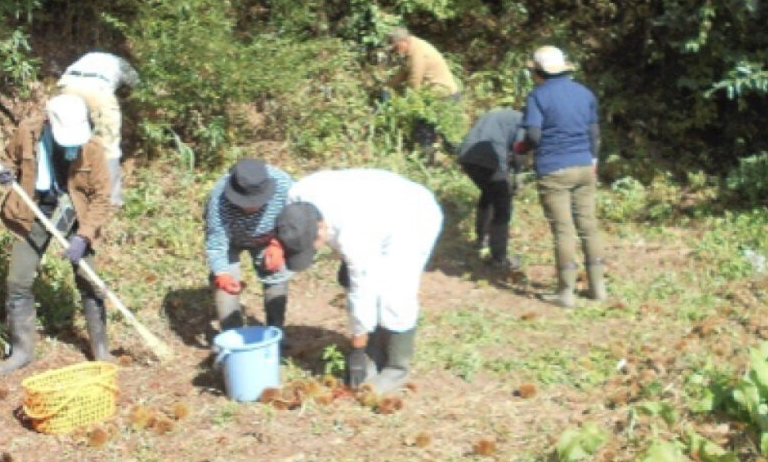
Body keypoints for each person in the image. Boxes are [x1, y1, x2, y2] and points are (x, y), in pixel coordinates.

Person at [274, 169, 443, 394]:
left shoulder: (353, 235)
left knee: (394, 294)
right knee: (360, 281)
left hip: (412, 216)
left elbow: (361, 292)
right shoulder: (296, 198)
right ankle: (375, 351)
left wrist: (356, 351)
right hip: (373, 209)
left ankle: (396, 367)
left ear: (322, 227)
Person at [0, 94, 114, 374]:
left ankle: (101, 350)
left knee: (90, 280)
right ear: (48, 121)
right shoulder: (27, 133)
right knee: (18, 281)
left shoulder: (92, 148)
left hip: (75, 215)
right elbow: (10, 160)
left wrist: (83, 236)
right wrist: (5, 173)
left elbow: (101, 198)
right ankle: (21, 351)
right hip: (33, 211)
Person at [514, 45, 606, 308]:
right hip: (584, 166)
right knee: (588, 226)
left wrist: (520, 149)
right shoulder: (584, 93)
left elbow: (533, 135)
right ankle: (598, 289)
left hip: (554, 169)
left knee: (564, 230)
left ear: (538, 72)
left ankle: (566, 292)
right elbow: (593, 133)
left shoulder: (537, 96)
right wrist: (593, 159)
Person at [204, 158, 295, 332]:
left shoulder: (285, 185)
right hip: (230, 240)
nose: (249, 208)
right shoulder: (218, 197)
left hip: (269, 236)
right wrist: (222, 274)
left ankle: (275, 331)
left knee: (276, 272)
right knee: (225, 285)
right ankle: (232, 335)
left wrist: (280, 243)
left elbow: (296, 218)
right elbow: (216, 243)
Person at [57, 51, 140, 207]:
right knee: (109, 144)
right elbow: (137, 85)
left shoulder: (89, 56)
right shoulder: (121, 63)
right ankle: (112, 198)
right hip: (98, 89)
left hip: (67, 85)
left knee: (68, 136)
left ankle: (63, 185)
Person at [456, 108, 526, 270]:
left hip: (467, 156)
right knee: (503, 204)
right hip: (489, 158)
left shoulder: (497, 114)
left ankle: (482, 240)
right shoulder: (523, 120)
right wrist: (518, 173)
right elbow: (519, 149)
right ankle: (499, 258)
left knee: (489, 193)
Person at [386, 26, 461, 160]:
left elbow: (414, 81)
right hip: (438, 94)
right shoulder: (413, 48)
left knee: (431, 131)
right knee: (434, 131)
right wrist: (387, 87)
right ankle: (436, 160)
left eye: (396, 47)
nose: (396, 51)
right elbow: (404, 71)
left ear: (404, 42)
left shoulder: (418, 53)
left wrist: (407, 103)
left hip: (444, 95)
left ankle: (432, 161)